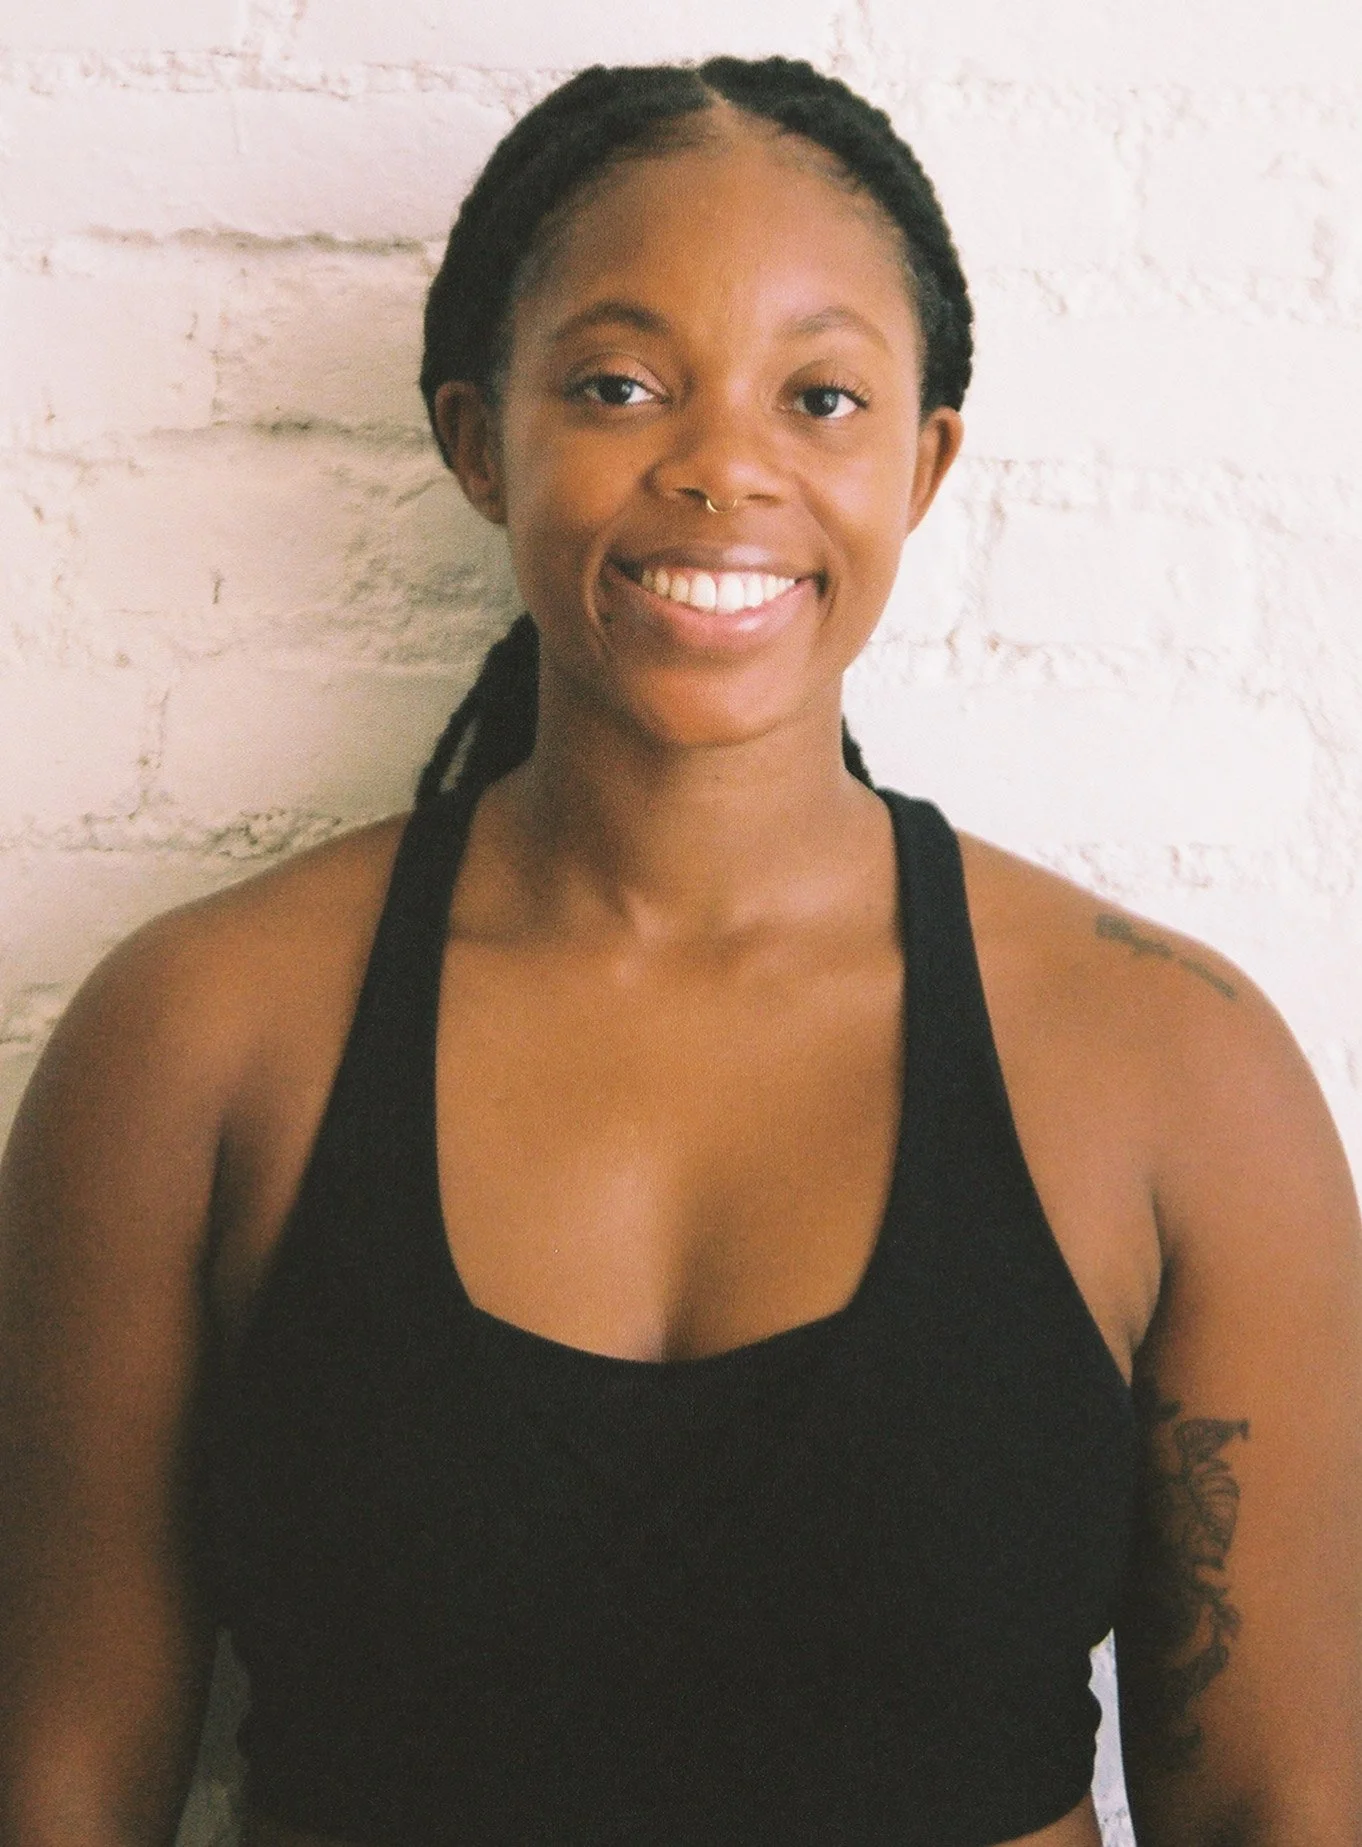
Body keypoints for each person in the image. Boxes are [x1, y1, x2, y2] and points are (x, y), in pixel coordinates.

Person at [1, 53, 1358, 1847]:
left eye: (820, 396)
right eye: (618, 385)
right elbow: (62, 1794)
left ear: (922, 465)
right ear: (477, 439)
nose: (723, 465)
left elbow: (1280, 1799)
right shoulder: (196, 1044)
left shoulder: (1176, 1071)